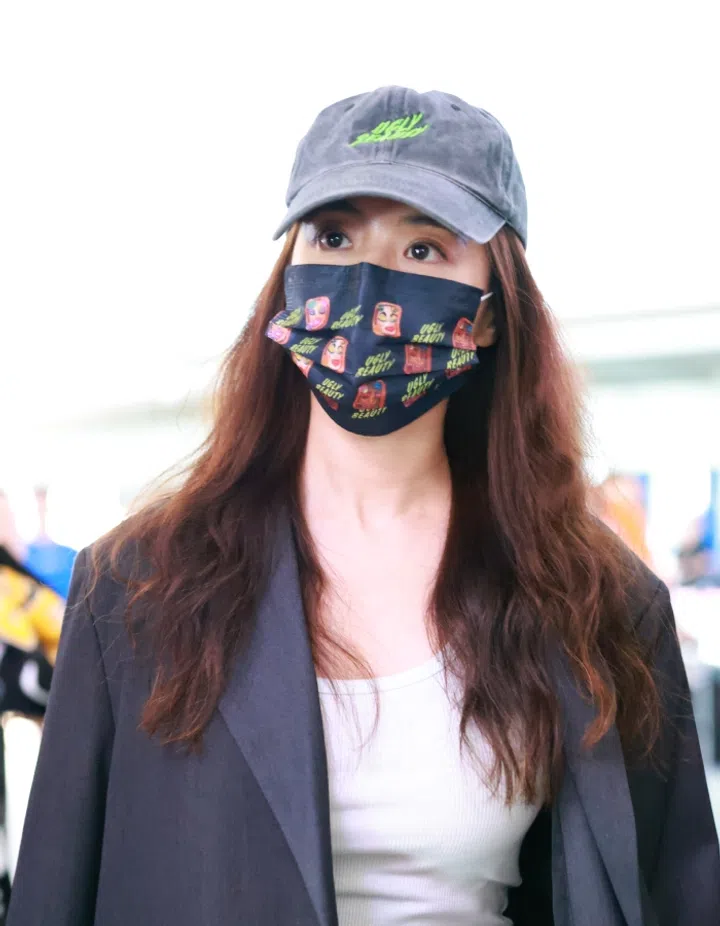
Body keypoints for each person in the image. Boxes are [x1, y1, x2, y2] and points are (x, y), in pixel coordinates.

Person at [7, 87, 720, 926]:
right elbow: (55, 892)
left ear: (492, 315)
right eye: (334, 236)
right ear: (287, 282)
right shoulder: (135, 586)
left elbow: (671, 893)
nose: (368, 282)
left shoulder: (598, 602)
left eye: (424, 247)